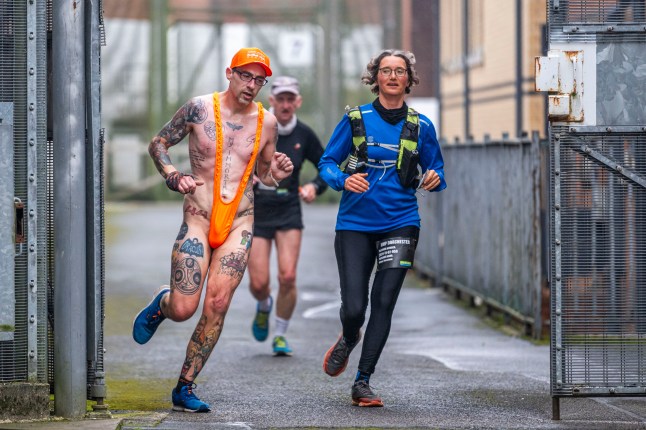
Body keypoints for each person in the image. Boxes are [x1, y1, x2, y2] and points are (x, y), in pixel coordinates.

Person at [131, 47, 294, 413]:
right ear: (229, 73)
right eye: (245, 75)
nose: (252, 84)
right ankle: (163, 303)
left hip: (240, 221)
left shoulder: (268, 123)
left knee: (218, 303)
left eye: (259, 79)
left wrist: (276, 175)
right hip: (199, 219)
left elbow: (264, 175)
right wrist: (172, 175)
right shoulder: (199, 108)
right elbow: (158, 143)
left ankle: (185, 386)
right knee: (185, 307)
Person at [318, 49, 446, 407]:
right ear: (375, 78)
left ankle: (363, 381)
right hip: (355, 224)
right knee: (355, 308)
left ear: (409, 79)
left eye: (399, 71)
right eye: (385, 71)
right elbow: (327, 162)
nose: (392, 76)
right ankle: (348, 336)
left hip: (401, 223)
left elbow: (436, 169)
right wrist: (343, 180)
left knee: (384, 303)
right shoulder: (356, 119)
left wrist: (435, 178)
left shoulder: (421, 126)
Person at [247, 76, 328, 356]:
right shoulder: (257, 129)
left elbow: (326, 166)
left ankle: (280, 334)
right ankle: (264, 305)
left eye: (289, 99)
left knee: (288, 276)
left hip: (289, 210)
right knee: (258, 284)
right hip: (257, 211)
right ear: (271, 101)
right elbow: (235, 162)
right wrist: (249, 180)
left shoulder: (304, 134)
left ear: (297, 102)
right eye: (279, 99)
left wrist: (313, 187)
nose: (285, 104)